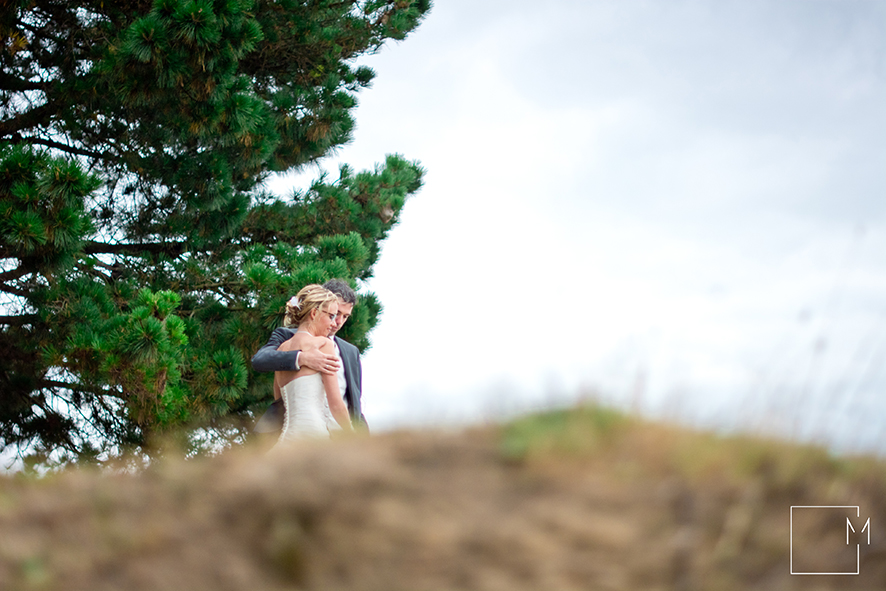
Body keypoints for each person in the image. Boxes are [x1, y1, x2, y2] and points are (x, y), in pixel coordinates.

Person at [252, 279, 368, 437]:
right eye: (335, 314)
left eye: (345, 316)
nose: (338, 322)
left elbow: (354, 402)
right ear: (317, 309)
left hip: (339, 438)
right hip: (310, 433)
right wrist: (302, 358)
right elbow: (260, 360)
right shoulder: (285, 338)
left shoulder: (351, 352)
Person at [268, 284, 353, 444]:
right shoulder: (323, 345)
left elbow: (279, 401)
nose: (334, 323)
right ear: (314, 313)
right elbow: (336, 405)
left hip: (287, 439)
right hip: (314, 436)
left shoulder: (281, 350)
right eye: (331, 316)